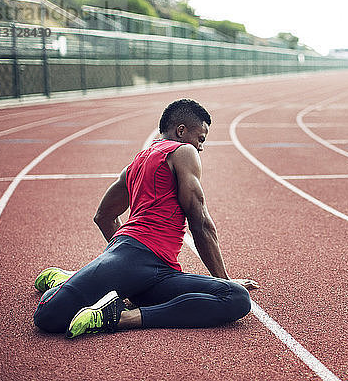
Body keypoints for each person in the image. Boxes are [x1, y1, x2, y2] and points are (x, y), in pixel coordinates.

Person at [33, 98, 259, 338]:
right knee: (48, 315)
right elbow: (200, 222)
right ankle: (69, 281)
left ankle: (122, 317)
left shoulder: (138, 160)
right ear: (181, 131)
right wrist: (224, 280)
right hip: (134, 257)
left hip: (160, 272)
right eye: (200, 139)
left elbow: (104, 216)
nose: (201, 147)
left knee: (236, 297)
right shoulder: (183, 151)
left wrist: (117, 260)